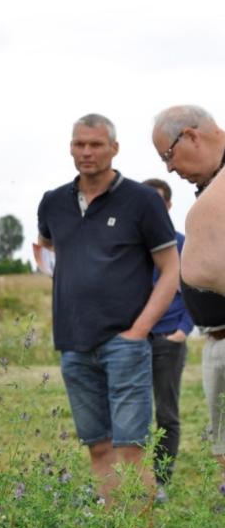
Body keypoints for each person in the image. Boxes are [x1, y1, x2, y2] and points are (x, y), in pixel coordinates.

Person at [37, 113, 179, 502]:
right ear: (70, 148)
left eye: (96, 144)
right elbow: (47, 250)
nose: (87, 152)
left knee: (131, 449)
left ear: (114, 149)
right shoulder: (53, 203)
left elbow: (170, 270)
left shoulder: (142, 201)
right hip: (74, 343)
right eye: (79, 144)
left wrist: (138, 330)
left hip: (125, 343)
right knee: (98, 448)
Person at [152, 105, 225, 479]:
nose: (168, 168)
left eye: (168, 156)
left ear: (191, 136)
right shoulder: (212, 184)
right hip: (215, 339)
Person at [142, 178, 194, 493]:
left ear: (169, 206)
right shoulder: (133, 246)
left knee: (166, 413)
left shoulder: (183, 244)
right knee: (130, 412)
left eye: (157, 202)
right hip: (135, 339)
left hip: (168, 340)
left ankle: (161, 481)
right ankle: (133, 481)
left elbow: (195, 291)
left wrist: (182, 331)